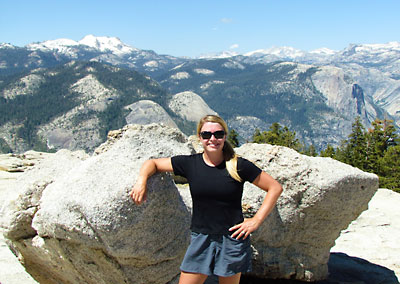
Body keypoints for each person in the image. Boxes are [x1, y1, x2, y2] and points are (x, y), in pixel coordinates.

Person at [130, 115, 283, 284]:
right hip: (201, 237)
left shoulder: (238, 165)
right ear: (199, 138)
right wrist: (141, 181)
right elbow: (153, 163)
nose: (213, 139)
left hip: (232, 238)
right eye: (206, 135)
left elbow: (275, 187)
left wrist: (256, 221)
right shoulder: (190, 164)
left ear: (225, 136)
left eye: (218, 134)